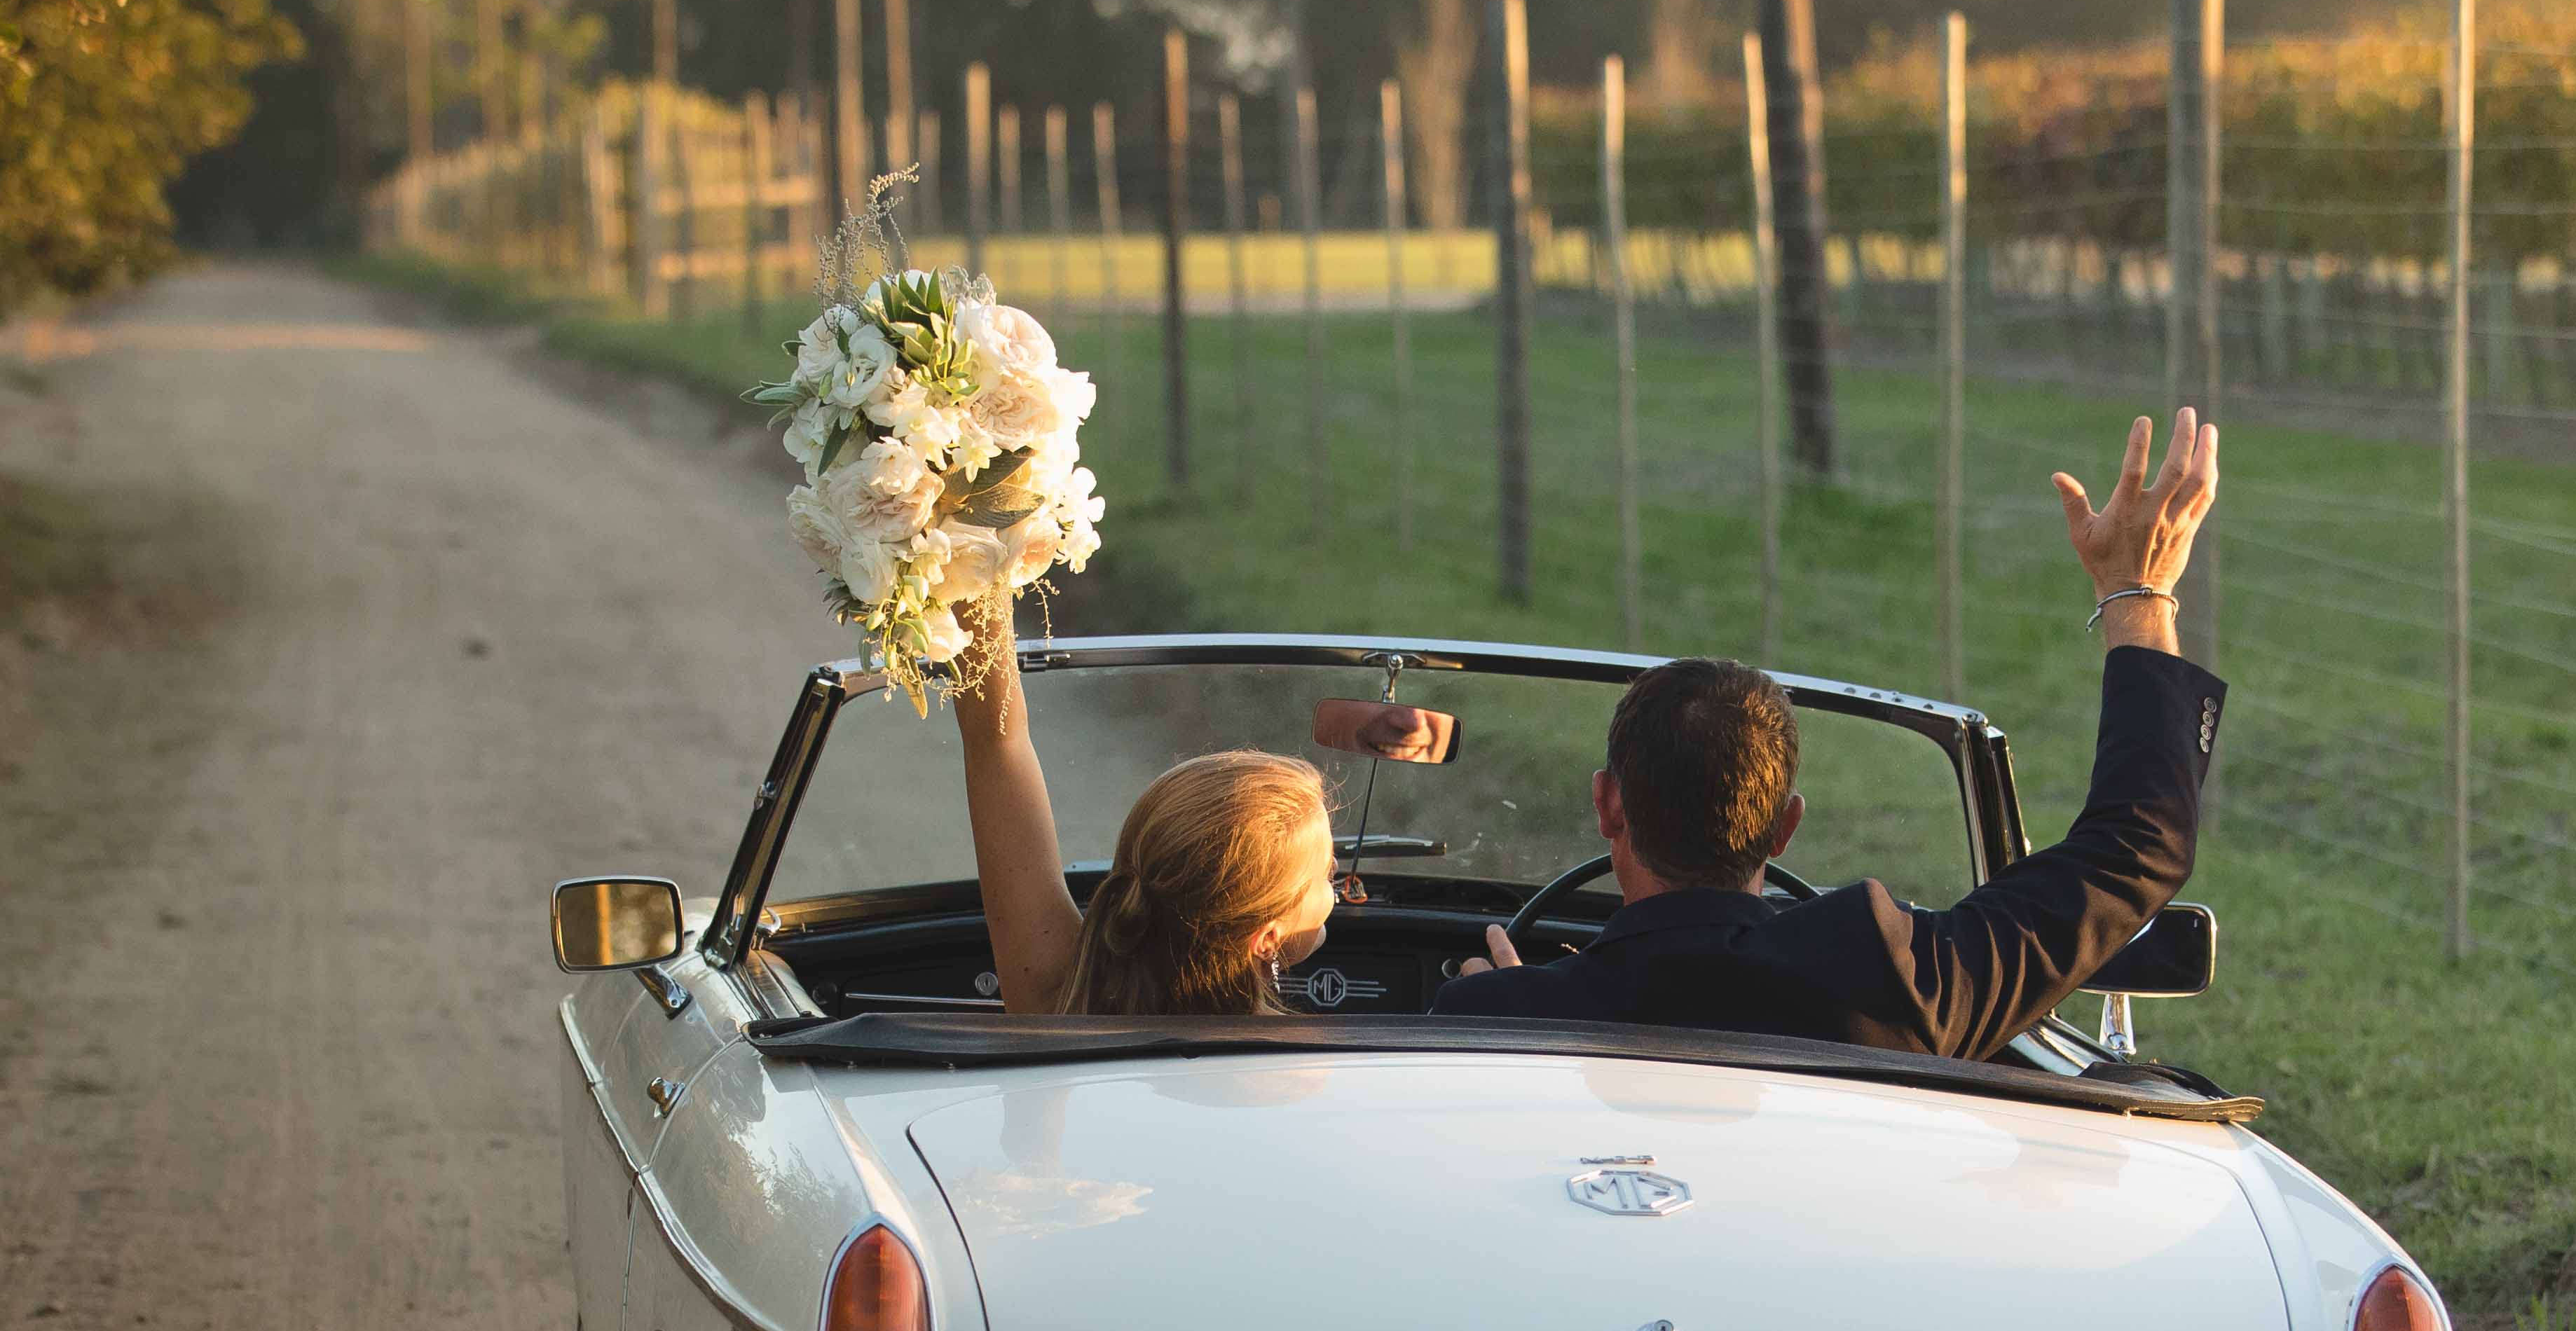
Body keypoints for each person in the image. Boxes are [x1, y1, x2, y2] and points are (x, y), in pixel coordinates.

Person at [1434, 408, 2224, 1058]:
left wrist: (1504, 1008)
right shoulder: (1886, 974)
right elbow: (2138, 847)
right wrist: (2138, 590)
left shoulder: (1493, 1020)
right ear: (1785, 826)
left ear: (1608, 805)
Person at [945, 585, 1336, 1014]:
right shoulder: (1322, 1057)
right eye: (1324, 873)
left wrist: (975, 563)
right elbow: (996, 739)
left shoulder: (1053, 1000)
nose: (1336, 877)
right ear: (1267, 940)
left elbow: (997, 739)